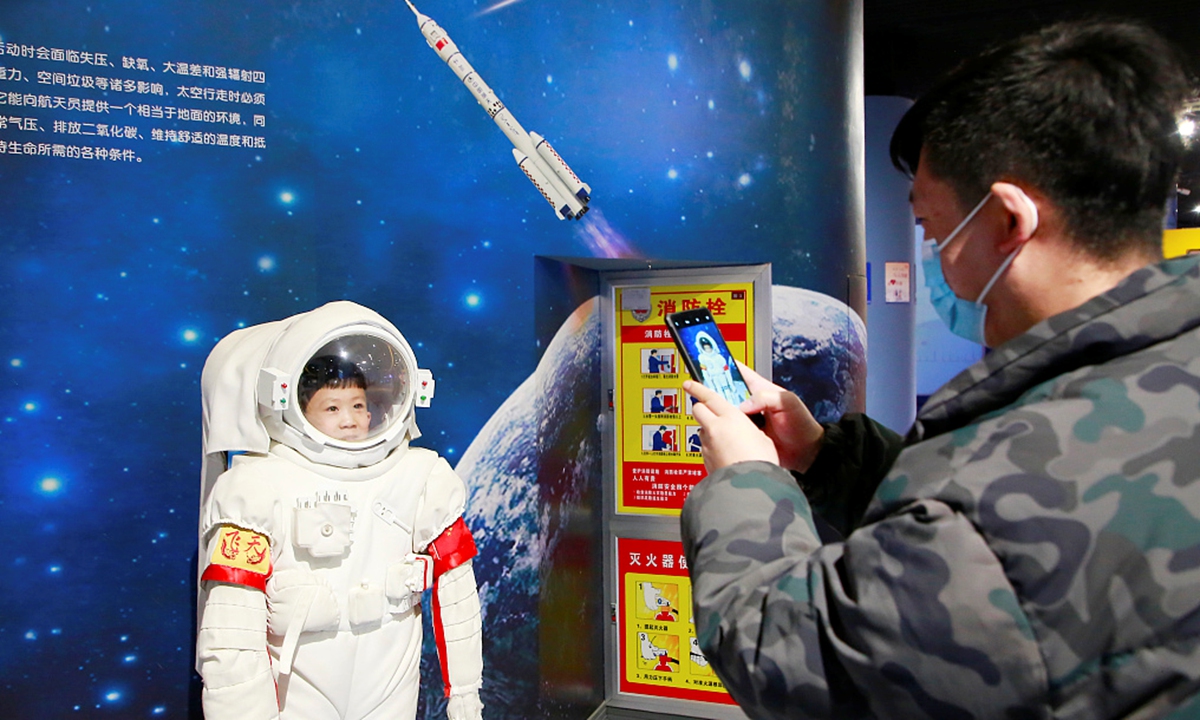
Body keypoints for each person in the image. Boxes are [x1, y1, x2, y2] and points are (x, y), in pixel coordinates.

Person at [680, 20, 1200, 720]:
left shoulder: (1005, 503)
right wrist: (827, 456)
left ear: (1008, 221)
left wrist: (747, 482)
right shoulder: (1161, 365)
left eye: (931, 229)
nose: (933, 259)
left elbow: (793, 660)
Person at [195, 301, 484, 720]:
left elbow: (457, 601)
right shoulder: (257, 488)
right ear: (291, 405)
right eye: (332, 408)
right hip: (298, 691)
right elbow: (231, 635)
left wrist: (465, 700)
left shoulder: (421, 478)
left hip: (390, 684)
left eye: (359, 406)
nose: (349, 420)